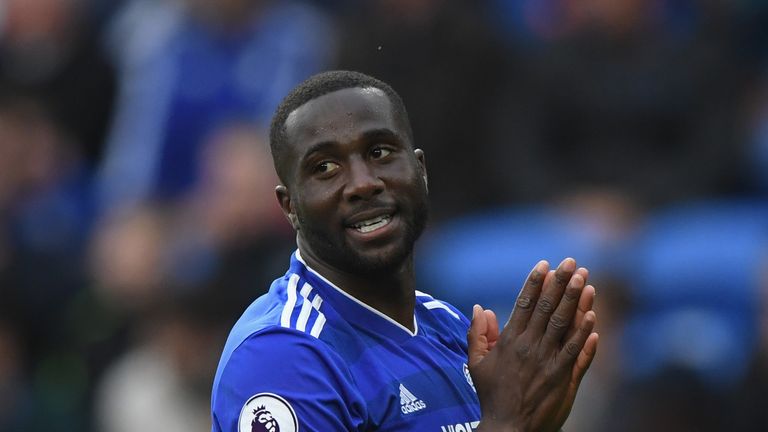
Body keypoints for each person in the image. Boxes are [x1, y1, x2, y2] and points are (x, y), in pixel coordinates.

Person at [210, 70, 599, 431]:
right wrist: (507, 423)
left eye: (379, 152)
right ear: (290, 206)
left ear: (421, 171)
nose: (363, 183)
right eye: (325, 167)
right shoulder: (283, 355)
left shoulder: (448, 328)